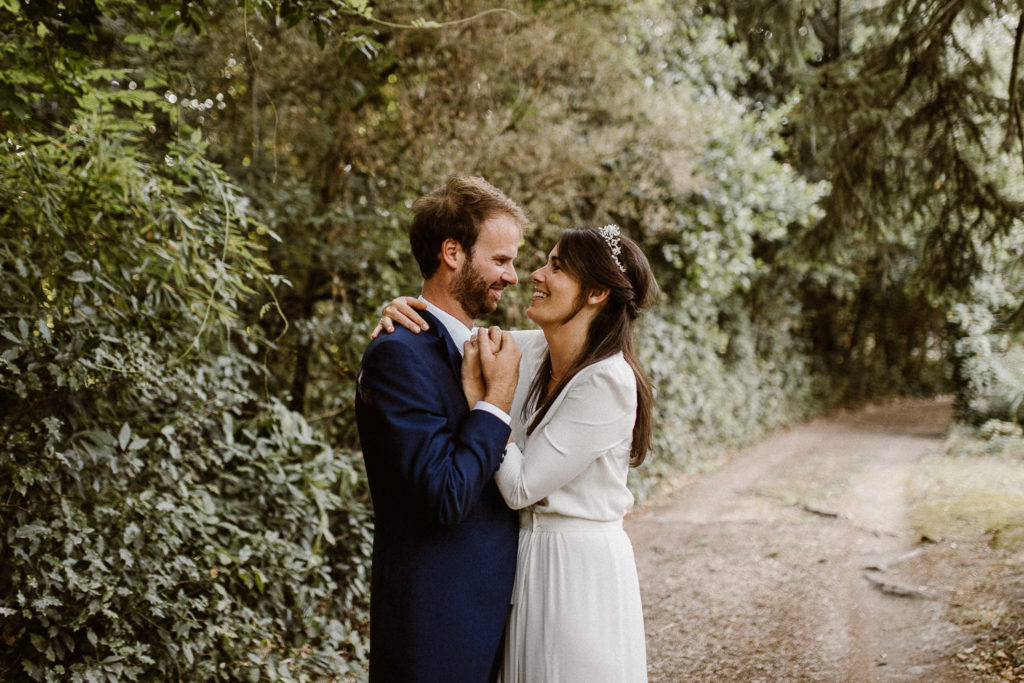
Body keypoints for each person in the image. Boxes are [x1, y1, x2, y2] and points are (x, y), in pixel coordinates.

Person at [378, 224, 657, 682]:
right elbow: (454, 339)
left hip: (577, 568)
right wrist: (405, 311)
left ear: (596, 293)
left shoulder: (608, 380)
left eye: (556, 267)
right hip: (527, 559)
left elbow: (522, 487)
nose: (535, 273)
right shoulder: (530, 350)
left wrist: (490, 404)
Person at [355, 175, 528, 682]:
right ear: (452, 252)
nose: (512, 276)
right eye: (501, 260)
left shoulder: (491, 345)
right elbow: (444, 497)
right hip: (436, 625)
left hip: (494, 615)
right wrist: (494, 405)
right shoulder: (398, 354)